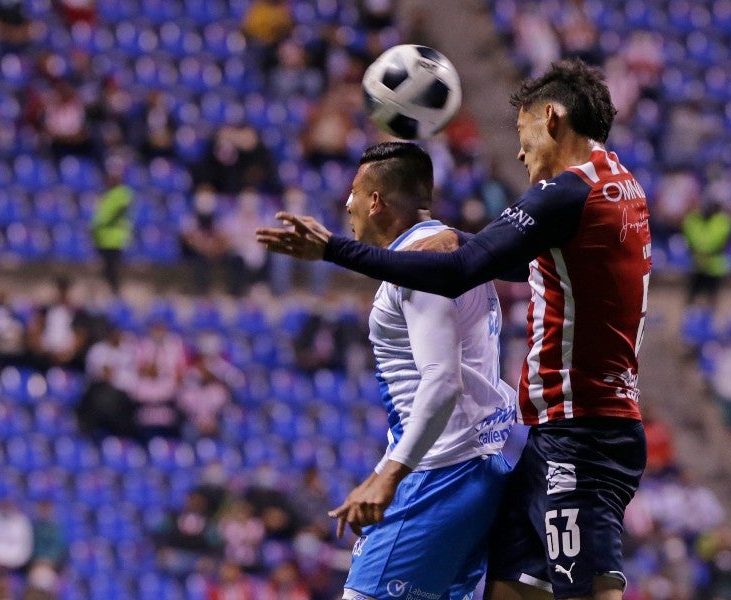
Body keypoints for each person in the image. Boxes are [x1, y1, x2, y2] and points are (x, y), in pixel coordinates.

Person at [257, 58, 651, 600]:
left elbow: (463, 272)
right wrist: (448, 237)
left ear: (553, 118)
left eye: (524, 132)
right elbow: (507, 261)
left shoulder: (566, 193)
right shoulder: (619, 188)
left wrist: (333, 250)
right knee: (512, 588)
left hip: (582, 435)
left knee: (587, 590)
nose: (519, 151)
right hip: (549, 435)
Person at [307, 142, 517, 600]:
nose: (346, 204)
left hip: (439, 475)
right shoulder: (452, 251)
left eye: (354, 193)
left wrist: (388, 476)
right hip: (475, 465)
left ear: (376, 201)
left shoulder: (423, 267)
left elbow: (442, 382)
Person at [89, 158, 133, 295]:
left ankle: (116, 294)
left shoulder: (123, 194)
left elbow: (108, 215)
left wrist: (96, 223)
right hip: (102, 239)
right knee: (105, 271)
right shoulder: (107, 194)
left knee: (113, 270)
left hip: (114, 240)